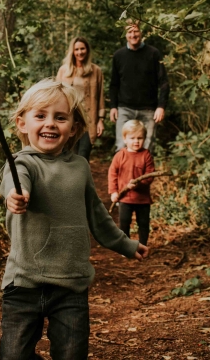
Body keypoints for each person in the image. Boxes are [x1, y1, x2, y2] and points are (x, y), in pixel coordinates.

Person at [0, 79, 148, 360]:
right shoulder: (20, 163)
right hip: (23, 282)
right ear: (22, 123)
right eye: (40, 116)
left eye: (60, 117)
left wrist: (126, 244)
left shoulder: (80, 167)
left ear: (74, 128)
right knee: (13, 356)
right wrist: (15, 196)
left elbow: (97, 214)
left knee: (71, 355)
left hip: (71, 284)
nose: (50, 124)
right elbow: (15, 181)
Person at [108, 21, 170, 151]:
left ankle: (143, 172)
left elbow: (163, 81)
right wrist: (113, 106)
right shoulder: (119, 56)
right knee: (122, 147)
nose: (133, 34)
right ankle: (124, 172)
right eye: (130, 32)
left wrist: (161, 106)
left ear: (141, 33)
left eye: (136, 31)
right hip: (125, 109)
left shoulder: (153, 53)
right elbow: (114, 84)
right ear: (125, 34)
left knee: (147, 149)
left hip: (148, 110)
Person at [55, 36, 105, 161]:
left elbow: (100, 96)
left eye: (82, 49)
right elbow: (56, 96)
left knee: (83, 156)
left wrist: (101, 120)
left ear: (87, 50)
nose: (79, 52)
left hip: (88, 120)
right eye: (76, 49)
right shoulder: (63, 71)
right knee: (68, 154)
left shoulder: (96, 71)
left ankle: (83, 180)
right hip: (70, 119)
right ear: (72, 51)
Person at [108, 119, 156, 246]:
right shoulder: (120, 156)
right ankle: (126, 246)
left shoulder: (146, 155)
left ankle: (143, 245)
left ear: (145, 138)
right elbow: (112, 174)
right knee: (124, 223)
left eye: (140, 138)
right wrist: (113, 191)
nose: (136, 141)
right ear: (125, 139)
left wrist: (138, 184)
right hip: (125, 198)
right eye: (132, 138)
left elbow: (150, 175)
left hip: (142, 199)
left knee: (143, 224)